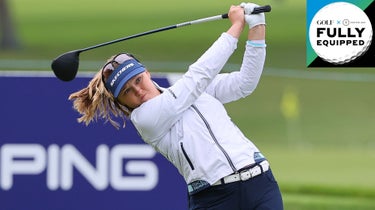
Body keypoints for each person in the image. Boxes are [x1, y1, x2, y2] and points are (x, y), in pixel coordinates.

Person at [69, 3, 283, 210]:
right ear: (122, 102)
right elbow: (197, 77)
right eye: (127, 92)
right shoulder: (145, 119)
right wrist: (236, 27)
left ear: (147, 73)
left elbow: (244, 83)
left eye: (137, 80)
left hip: (260, 182)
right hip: (214, 198)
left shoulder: (188, 89)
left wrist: (257, 26)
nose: (137, 91)